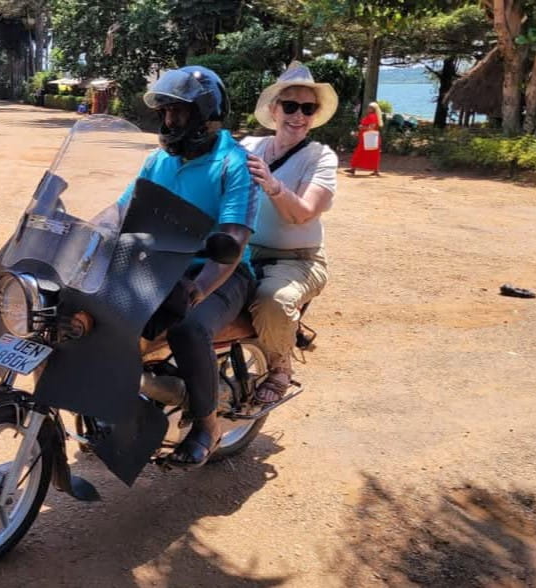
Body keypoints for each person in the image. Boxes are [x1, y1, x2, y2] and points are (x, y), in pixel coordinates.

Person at [122, 66, 258, 467]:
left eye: (177, 113)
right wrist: (80, 235)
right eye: (164, 112)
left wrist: (198, 289)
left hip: (222, 272)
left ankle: (207, 424)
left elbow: (232, 240)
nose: (168, 121)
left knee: (187, 325)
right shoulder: (157, 161)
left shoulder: (235, 164)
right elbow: (121, 210)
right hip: (162, 266)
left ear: (204, 115)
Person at [240, 62, 339, 403]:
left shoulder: (321, 157)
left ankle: (280, 368)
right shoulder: (249, 146)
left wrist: (272, 185)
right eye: (290, 106)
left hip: (297, 260)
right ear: (273, 109)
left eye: (307, 108)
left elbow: (304, 214)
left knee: (273, 300)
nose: (298, 115)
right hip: (244, 250)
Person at [346, 101, 383, 176]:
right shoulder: (373, 116)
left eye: (370, 107)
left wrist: (362, 127)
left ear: (373, 109)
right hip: (369, 138)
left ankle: (353, 169)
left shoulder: (372, 116)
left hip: (368, 138)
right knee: (373, 154)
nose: (368, 108)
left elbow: (371, 127)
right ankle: (375, 170)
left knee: (360, 152)